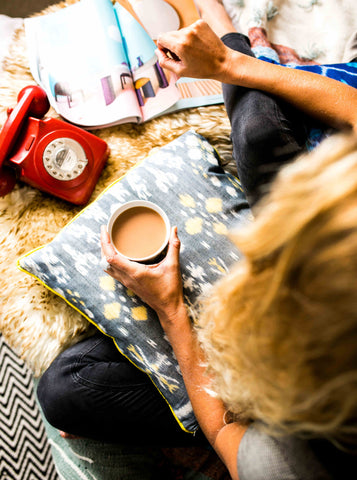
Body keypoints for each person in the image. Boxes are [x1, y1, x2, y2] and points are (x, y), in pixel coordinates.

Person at [37, 1, 357, 478]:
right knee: (258, 125)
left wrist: (172, 312)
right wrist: (231, 63)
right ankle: (226, 35)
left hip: (273, 395)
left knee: (67, 390)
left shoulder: (301, 461)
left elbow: (236, 446)